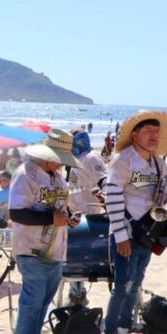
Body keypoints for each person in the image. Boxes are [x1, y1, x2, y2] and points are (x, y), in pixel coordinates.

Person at [102, 110, 167, 334]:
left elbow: (166, 193)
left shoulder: (159, 162)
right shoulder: (122, 160)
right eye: (148, 131)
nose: (153, 136)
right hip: (126, 231)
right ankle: (109, 332)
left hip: (148, 232)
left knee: (136, 282)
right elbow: (112, 196)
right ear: (134, 134)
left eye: (156, 132)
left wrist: (162, 196)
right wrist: (120, 234)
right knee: (123, 284)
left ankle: (126, 326)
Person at [7, 129, 81, 334]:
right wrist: (53, 218)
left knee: (42, 302)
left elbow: (60, 208)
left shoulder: (56, 176)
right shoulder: (25, 175)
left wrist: (69, 217)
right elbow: (17, 213)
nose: (62, 164)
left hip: (55, 249)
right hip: (32, 249)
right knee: (32, 302)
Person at [66, 130, 107, 306]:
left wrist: (102, 196)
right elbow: (77, 187)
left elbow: (103, 181)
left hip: (89, 215)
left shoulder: (92, 158)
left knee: (80, 258)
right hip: (75, 213)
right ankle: (76, 295)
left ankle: (78, 296)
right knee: (73, 259)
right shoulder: (76, 160)